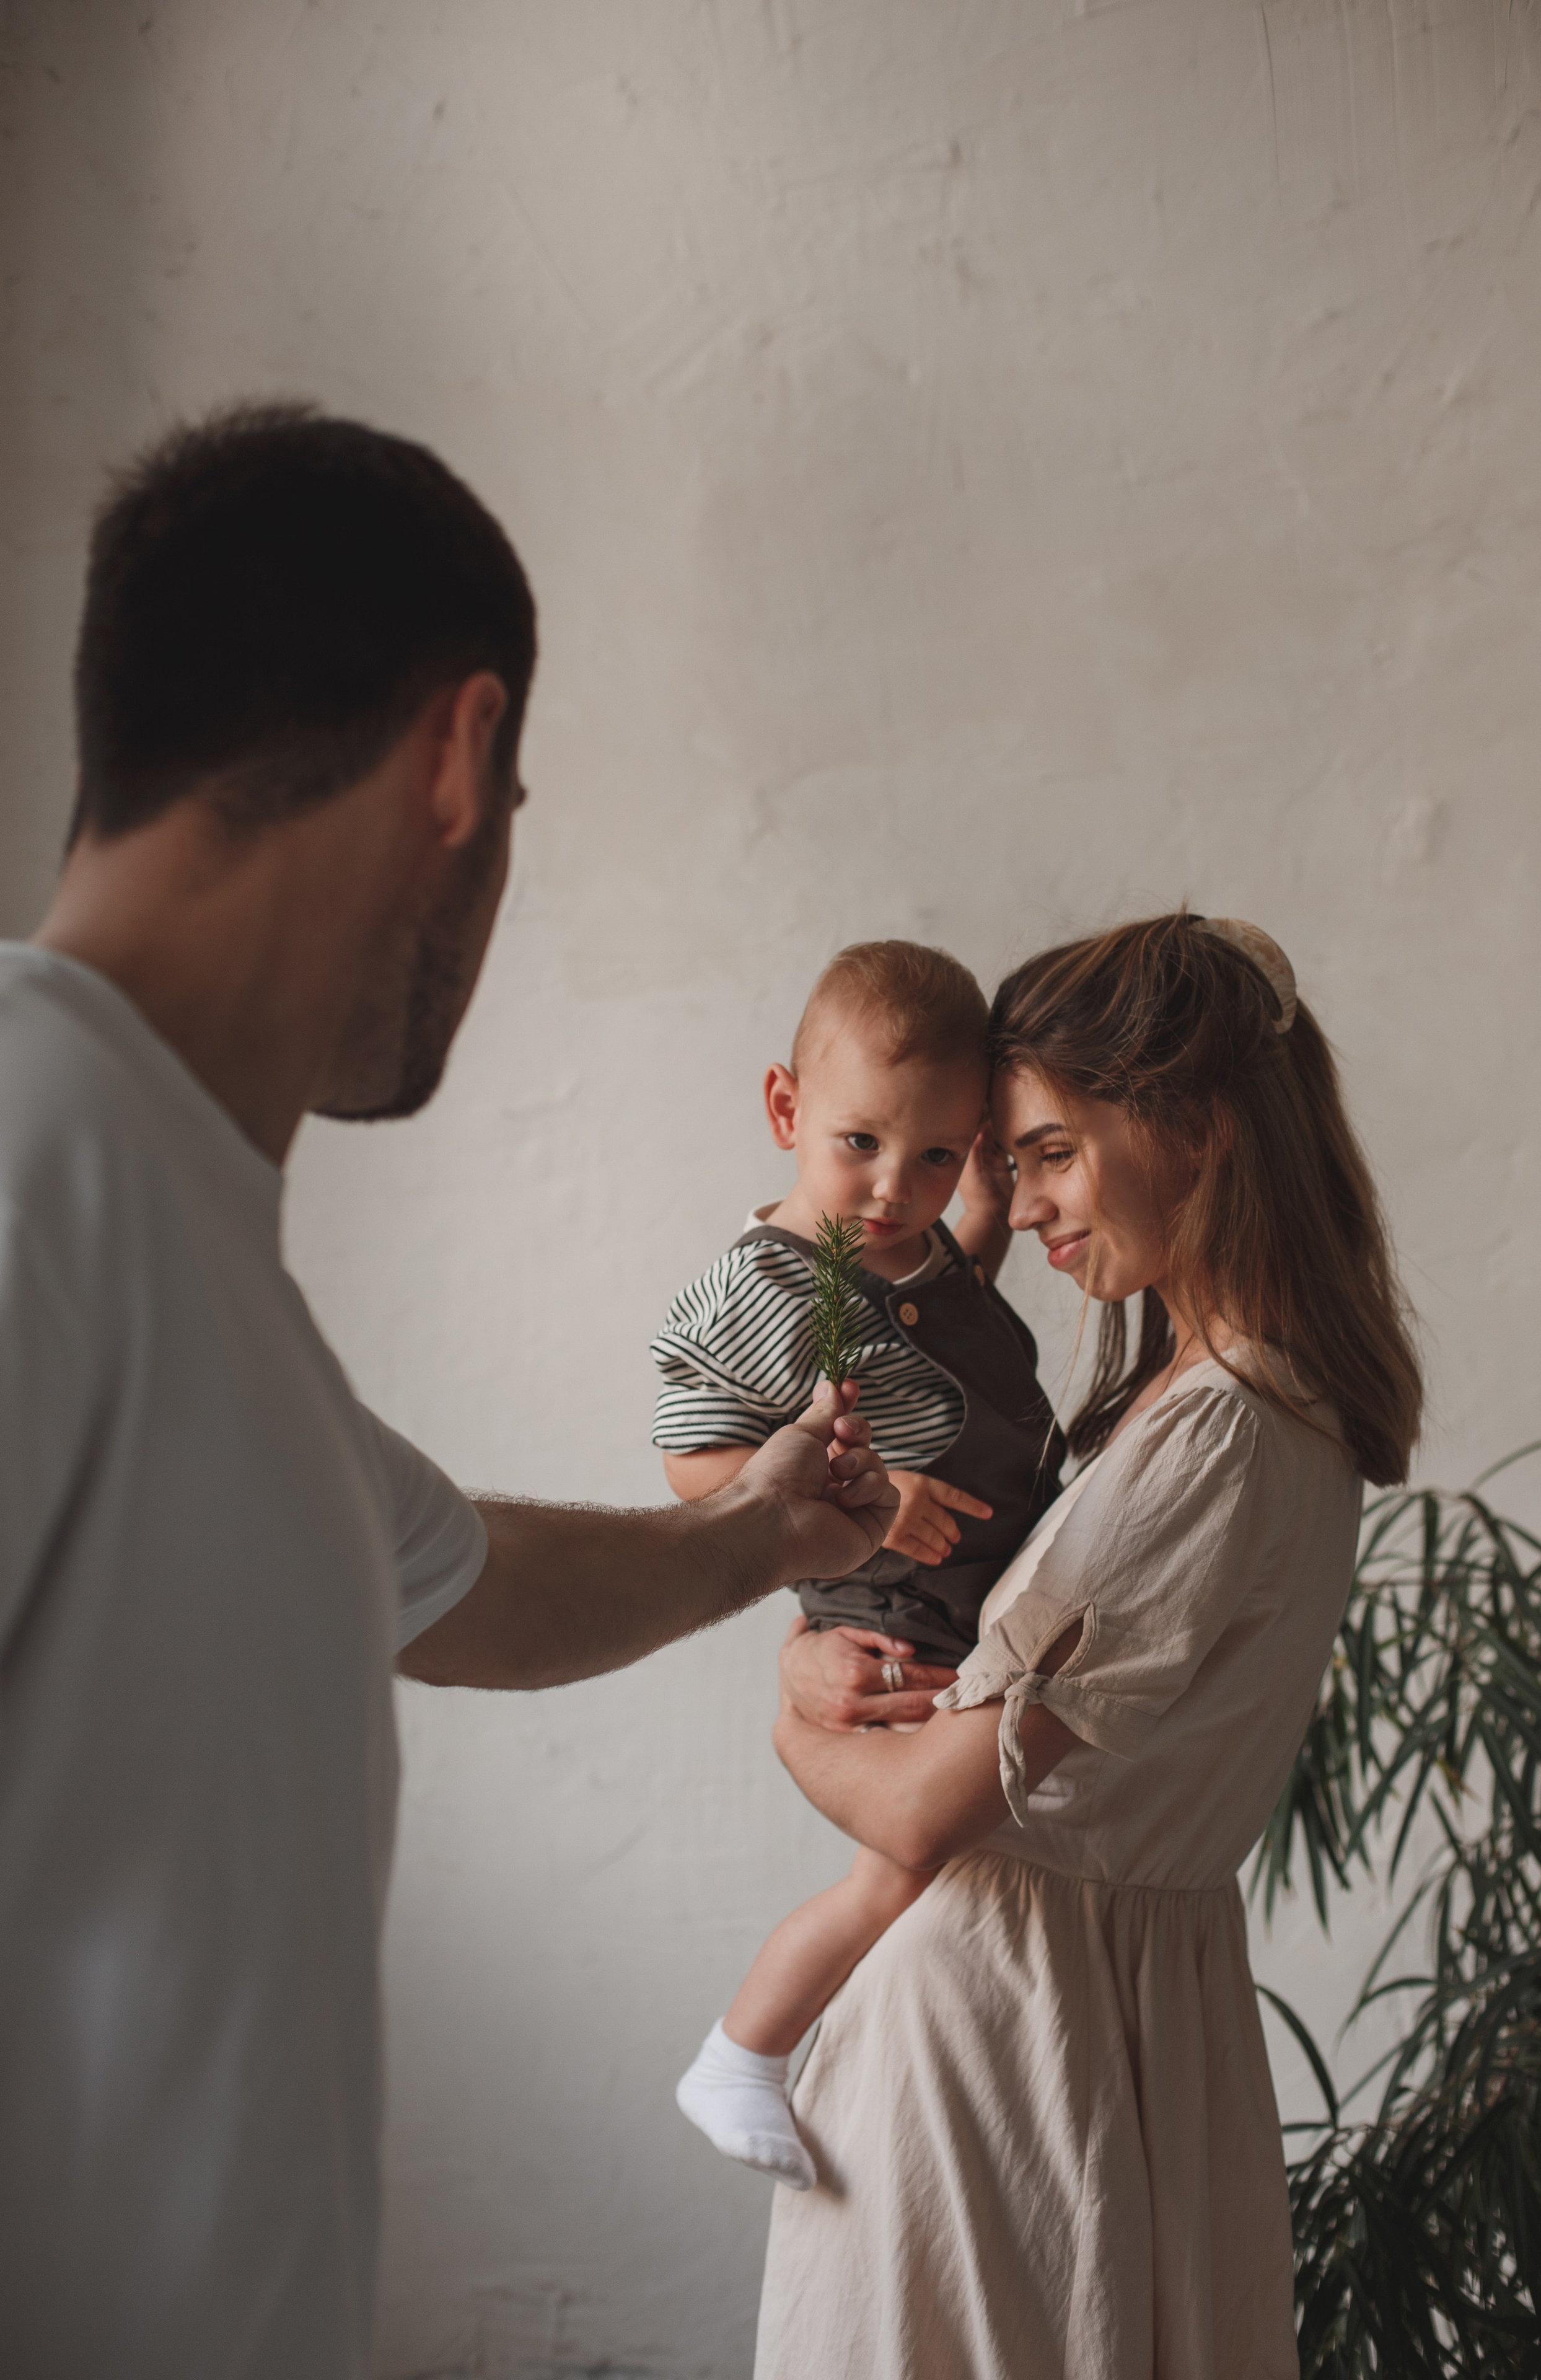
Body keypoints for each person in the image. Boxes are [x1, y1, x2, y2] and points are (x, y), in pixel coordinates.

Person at [0, 403, 895, 2379]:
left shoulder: (188, 1263)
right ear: (459, 758)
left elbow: (461, 1581)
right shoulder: (35, 1148)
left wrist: (763, 1536)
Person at [755, 914, 1424, 2380]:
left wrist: (790, 1719)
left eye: (1049, 1152)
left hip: (1010, 2036)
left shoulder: (1215, 1434)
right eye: (1007, 1163)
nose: (1021, 1207)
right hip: (1096, 2025)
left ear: (1197, 1122)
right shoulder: (1231, 1407)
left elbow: (925, 1808)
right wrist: (827, 1659)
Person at [657, 941, 1063, 2187]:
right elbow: (692, 1464)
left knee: (962, 1875)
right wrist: (866, 1511)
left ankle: (870, 2071)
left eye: (935, 1156)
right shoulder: (765, 1284)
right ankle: (743, 2051)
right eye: (860, 1144)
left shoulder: (915, 1247)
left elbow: (952, 1309)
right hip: (892, 1598)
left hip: (971, 1585)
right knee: (904, 1867)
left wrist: (981, 1210)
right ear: (785, 1110)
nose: (894, 1188)